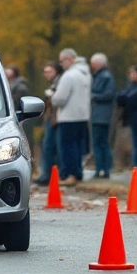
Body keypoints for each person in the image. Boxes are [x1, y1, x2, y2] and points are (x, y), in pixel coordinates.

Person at [50, 48, 91, 186]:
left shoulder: (69, 76)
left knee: (67, 147)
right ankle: (78, 173)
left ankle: (69, 175)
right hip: (83, 115)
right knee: (79, 146)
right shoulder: (86, 74)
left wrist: (52, 96)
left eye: (62, 61)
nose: (61, 64)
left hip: (68, 116)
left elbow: (60, 99)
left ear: (69, 59)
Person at [33, 61, 63, 186]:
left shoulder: (59, 82)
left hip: (54, 118)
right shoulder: (53, 83)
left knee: (49, 146)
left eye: (49, 71)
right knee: (47, 146)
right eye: (45, 72)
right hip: (50, 118)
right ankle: (47, 174)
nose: (47, 74)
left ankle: (48, 175)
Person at [88, 53, 116, 179]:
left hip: (101, 115)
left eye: (93, 63)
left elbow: (109, 94)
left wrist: (94, 96)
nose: (92, 66)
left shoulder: (105, 77)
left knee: (101, 142)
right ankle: (101, 168)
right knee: (100, 142)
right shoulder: (101, 76)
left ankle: (103, 169)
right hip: (99, 114)